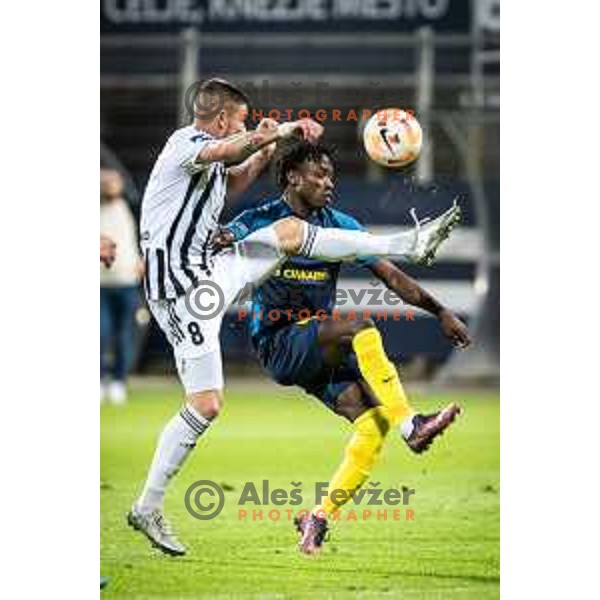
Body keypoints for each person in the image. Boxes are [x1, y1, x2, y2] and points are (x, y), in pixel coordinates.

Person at [128, 78, 461, 556]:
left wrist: (269, 147)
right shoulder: (186, 142)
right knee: (208, 401)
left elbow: (236, 173)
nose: (246, 124)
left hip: (208, 276)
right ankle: (149, 504)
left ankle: (147, 507)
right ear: (222, 117)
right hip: (181, 291)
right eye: (242, 118)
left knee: (287, 234)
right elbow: (234, 147)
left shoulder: (215, 171)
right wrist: (280, 130)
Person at [219, 140, 472, 554]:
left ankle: (316, 519)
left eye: (332, 175)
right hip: (279, 341)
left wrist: (440, 311)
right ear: (292, 177)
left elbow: (391, 277)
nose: (329, 182)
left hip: (318, 344)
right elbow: (231, 242)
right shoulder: (262, 219)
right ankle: (413, 424)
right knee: (358, 324)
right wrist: (223, 237)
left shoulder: (339, 223)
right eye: (319, 174)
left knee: (373, 426)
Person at [100, 169, 143, 404]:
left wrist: (139, 261)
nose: (112, 186)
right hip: (100, 283)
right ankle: (98, 379)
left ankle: (118, 381)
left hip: (127, 281)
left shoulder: (127, 208)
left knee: (124, 335)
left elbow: (136, 239)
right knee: (100, 333)